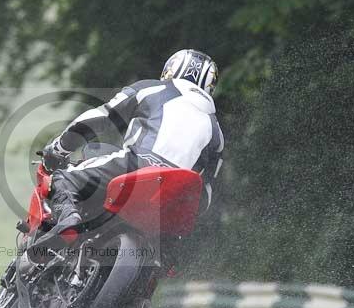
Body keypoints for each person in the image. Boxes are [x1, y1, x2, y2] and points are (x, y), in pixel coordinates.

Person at [33, 49, 224, 251]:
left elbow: (100, 117)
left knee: (63, 179)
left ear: (171, 69)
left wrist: (59, 147)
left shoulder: (152, 89)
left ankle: (68, 221)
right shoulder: (217, 132)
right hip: (179, 195)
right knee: (170, 250)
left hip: (138, 165)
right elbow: (208, 191)